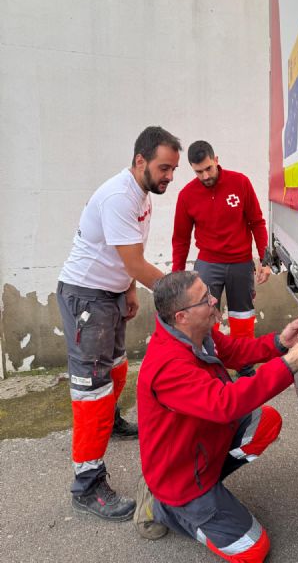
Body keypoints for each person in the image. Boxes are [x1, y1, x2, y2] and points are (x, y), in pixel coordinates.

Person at [136, 270, 298, 562]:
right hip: (181, 478)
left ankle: (208, 490)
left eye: (208, 293)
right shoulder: (167, 367)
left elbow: (234, 351)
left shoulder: (196, 333)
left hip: (199, 446)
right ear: (182, 316)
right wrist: (289, 364)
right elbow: (225, 404)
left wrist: (280, 343)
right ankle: (167, 509)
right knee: (253, 551)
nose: (213, 300)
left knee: (266, 422)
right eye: (204, 299)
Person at [56, 126, 182, 521]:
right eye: (165, 168)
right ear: (140, 160)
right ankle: (87, 485)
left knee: (115, 370)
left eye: (173, 169)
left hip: (108, 294)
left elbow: (130, 252)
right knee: (91, 388)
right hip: (86, 296)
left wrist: (127, 290)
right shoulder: (117, 196)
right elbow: (134, 261)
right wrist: (182, 292)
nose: (170, 177)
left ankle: (109, 424)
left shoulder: (141, 194)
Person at [172, 141, 271, 376]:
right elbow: (181, 239)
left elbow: (257, 223)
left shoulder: (240, 182)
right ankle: (210, 367)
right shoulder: (187, 195)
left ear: (216, 159)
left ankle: (245, 369)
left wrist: (264, 261)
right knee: (204, 318)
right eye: (199, 171)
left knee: (242, 317)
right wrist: (177, 276)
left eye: (208, 168)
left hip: (240, 263)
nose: (205, 175)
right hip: (208, 264)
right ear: (192, 169)